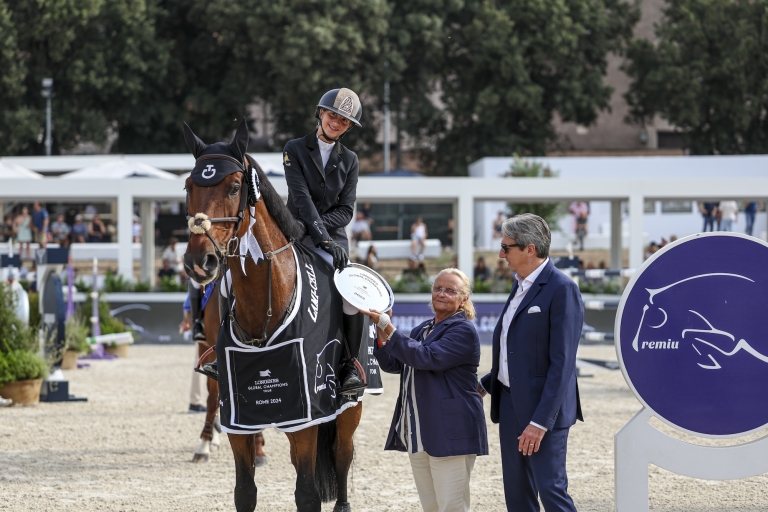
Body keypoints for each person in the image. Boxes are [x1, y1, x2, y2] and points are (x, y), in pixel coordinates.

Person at [478, 213, 583, 511]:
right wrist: (486, 383)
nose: (501, 254)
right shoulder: (520, 284)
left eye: (506, 247)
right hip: (510, 405)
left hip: (543, 411)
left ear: (530, 249)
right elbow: (517, 349)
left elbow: (562, 364)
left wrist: (540, 422)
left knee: (551, 491)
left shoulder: (562, 289)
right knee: (517, 495)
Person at [362, 268, 488, 512]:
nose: (441, 293)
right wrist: (380, 334)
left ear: (464, 299)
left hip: (451, 431)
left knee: (452, 506)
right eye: (438, 288)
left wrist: (390, 329)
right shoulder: (422, 329)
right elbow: (394, 364)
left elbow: (426, 358)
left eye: (450, 290)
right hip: (419, 431)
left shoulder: (463, 330)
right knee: (431, 506)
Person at [281, 87, 366, 395]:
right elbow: (301, 199)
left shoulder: (351, 160)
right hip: (294, 233)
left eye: (344, 121)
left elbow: (345, 210)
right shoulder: (294, 148)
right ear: (321, 112)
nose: (337, 123)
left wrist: (325, 238)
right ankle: (223, 348)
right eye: (333, 115)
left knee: (350, 296)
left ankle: (349, 365)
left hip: (330, 239)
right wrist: (317, 234)